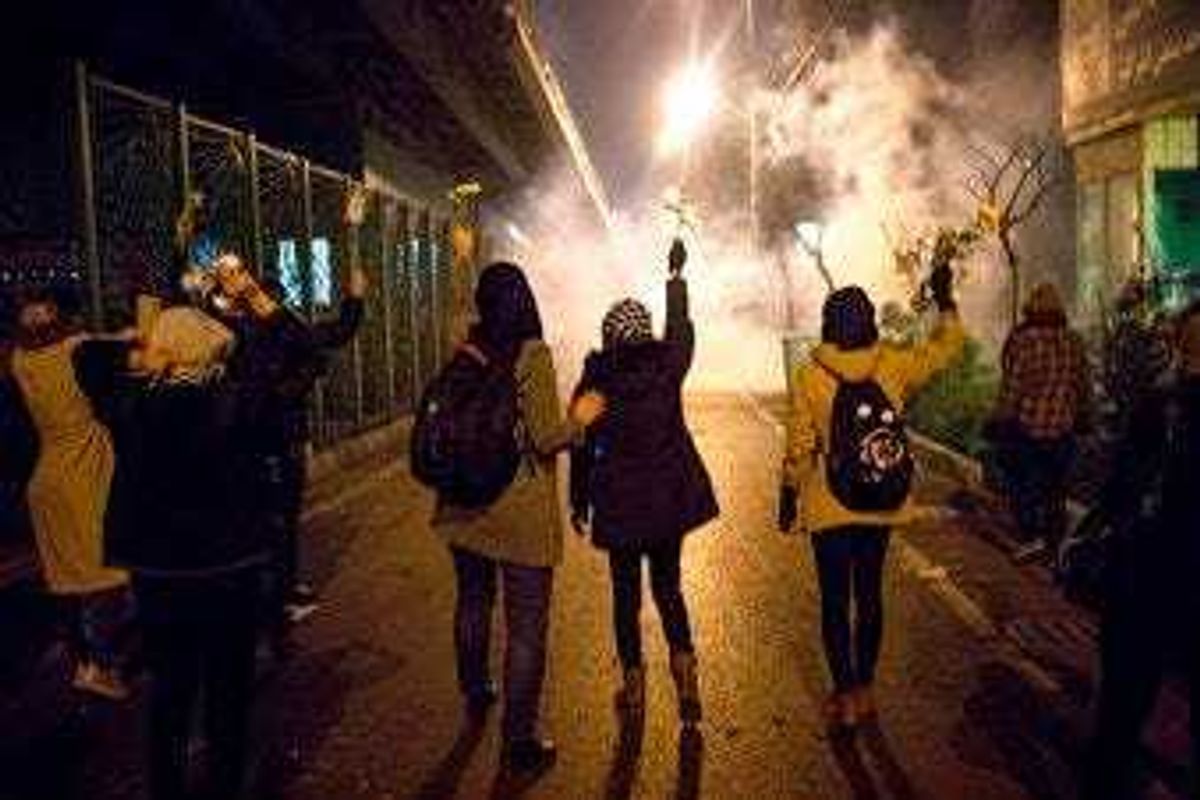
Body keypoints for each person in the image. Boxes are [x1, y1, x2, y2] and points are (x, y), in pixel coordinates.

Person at [91, 293, 293, 800]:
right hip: (230, 566)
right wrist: (258, 307)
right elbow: (299, 354)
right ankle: (225, 783)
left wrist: (141, 346)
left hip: (160, 572)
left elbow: (86, 359)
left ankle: (167, 785)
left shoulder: (132, 405)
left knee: (170, 690)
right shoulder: (240, 402)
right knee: (228, 689)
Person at [432, 262, 604, 776]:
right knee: (526, 631)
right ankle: (518, 741)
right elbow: (547, 436)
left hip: (463, 506)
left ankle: (476, 688)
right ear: (526, 301)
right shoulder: (534, 354)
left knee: (472, 601)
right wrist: (582, 418)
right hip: (520, 514)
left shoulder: (467, 347)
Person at [777, 261, 964, 729]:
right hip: (880, 502)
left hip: (828, 505)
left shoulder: (810, 375)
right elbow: (945, 352)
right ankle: (865, 688)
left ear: (828, 324)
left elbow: (800, 443)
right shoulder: (893, 364)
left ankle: (842, 696)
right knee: (871, 595)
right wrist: (946, 304)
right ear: (869, 324)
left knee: (835, 601)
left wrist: (788, 490)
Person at [569, 238, 718, 725]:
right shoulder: (667, 370)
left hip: (619, 507)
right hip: (667, 504)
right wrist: (675, 278)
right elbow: (681, 332)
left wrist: (578, 502)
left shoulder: (596, 382)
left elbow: (582, 446)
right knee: (669, 588)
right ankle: (686, 672)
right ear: (646, 334)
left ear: (610, 338)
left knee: (625, 597)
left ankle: (632, 687)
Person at [209, 253, 364, 648]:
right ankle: (271, 601)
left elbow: (327, 339)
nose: (244, 284)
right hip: (249, 443)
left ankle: (279, 594)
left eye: (245, 276)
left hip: (278, 437)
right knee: (266, 521)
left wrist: (355, 299)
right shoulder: (231, 332)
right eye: (233, 275)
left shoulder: (280, 329)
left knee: (280, 518)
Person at [1083, 300, 1200, 799]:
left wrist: (1094, 532)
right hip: (1174, 577)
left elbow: (1121, 488)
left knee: (1123, 705)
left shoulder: (1159, 405)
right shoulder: (1160, 406)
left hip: (1145, 575)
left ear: (1178, 343)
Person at [10, 288, 130, 700]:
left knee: (66, 579)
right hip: (86, 468)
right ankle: (100, 663)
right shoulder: (76, 349)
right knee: (106, 572)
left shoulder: (18, 360)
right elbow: (122, 345)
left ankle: (83, 660)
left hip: (46, 476)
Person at [994, 283, 1092, 564]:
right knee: (1056, 490)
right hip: (1063, 430)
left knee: (1025, 485)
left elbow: (1012, 389)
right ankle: (1054, 546)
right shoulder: (1074, 342)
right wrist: (1083, 417)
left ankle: (1031, 539)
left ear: (1031, 311)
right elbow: (1083, 385)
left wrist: (999, 420)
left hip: (1028, 431)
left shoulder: (1025, 341)